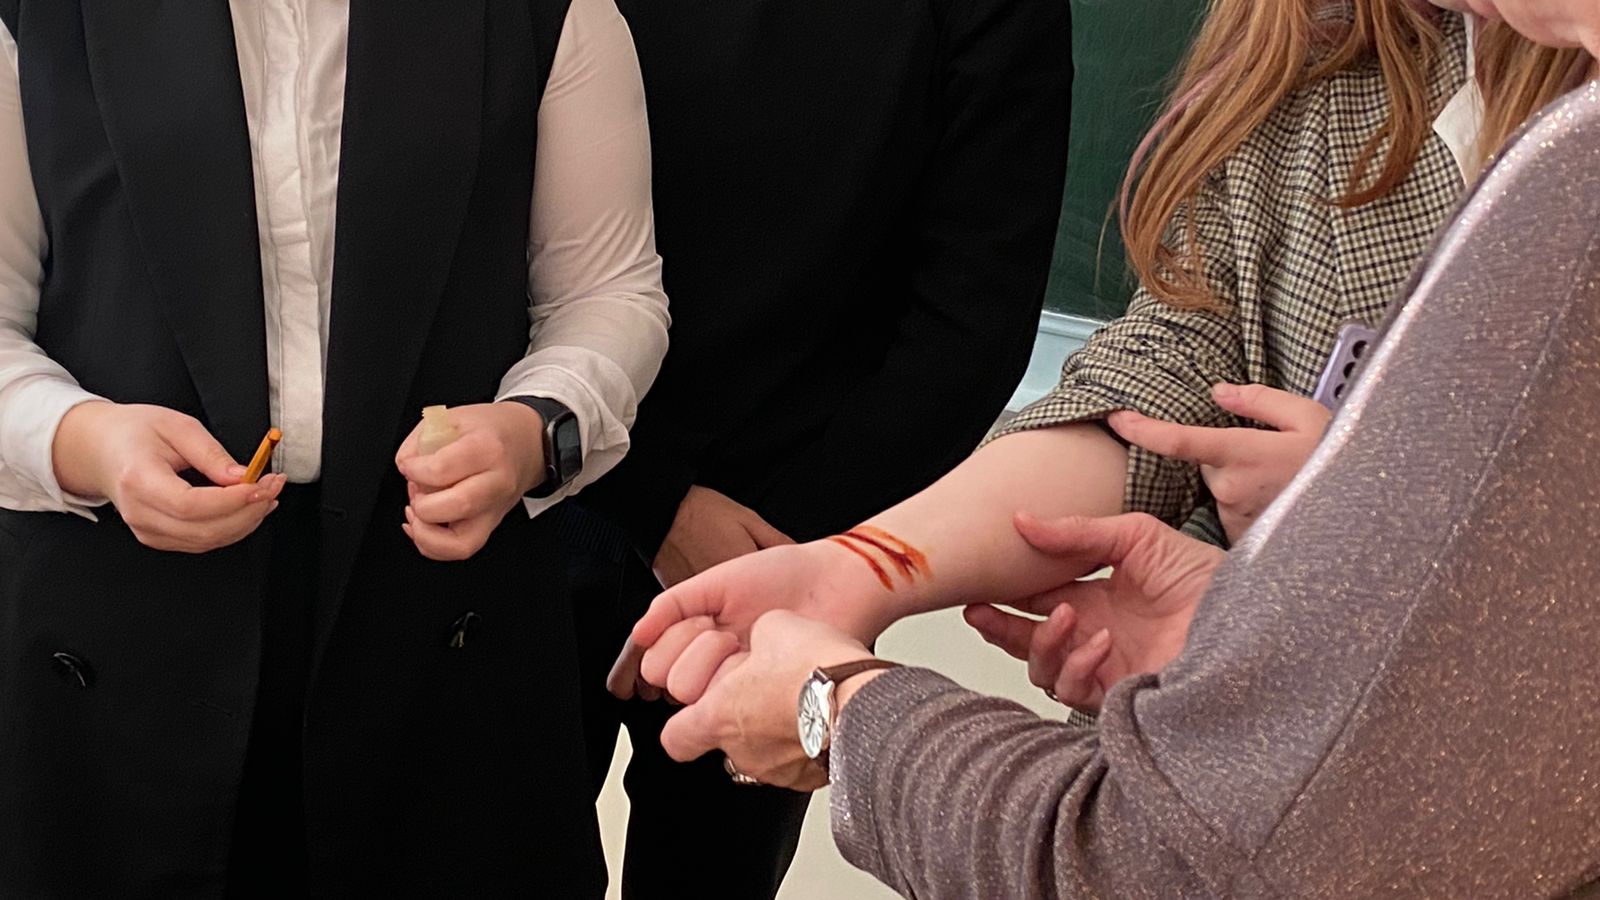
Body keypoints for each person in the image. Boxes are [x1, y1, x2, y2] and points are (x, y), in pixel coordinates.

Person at [635, 19, 1600, 895]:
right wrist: (856, 569)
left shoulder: (1566, 190)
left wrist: (1350, 513)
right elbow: (1169, 363)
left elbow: (1134, 860)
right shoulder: (1330, 64)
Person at [0, 0, 667, 895]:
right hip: (110, 650)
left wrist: (534, 430)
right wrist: (82, 441)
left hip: (445, 634)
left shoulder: (547, 14)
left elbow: (610, 291)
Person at [557, 0, 1071, 894]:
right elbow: (487, 218)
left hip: (782, 552)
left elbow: (971, 326)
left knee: (711, 872)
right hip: (556, 487)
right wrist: (653, 498)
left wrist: (788, 559)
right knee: (485, 847)